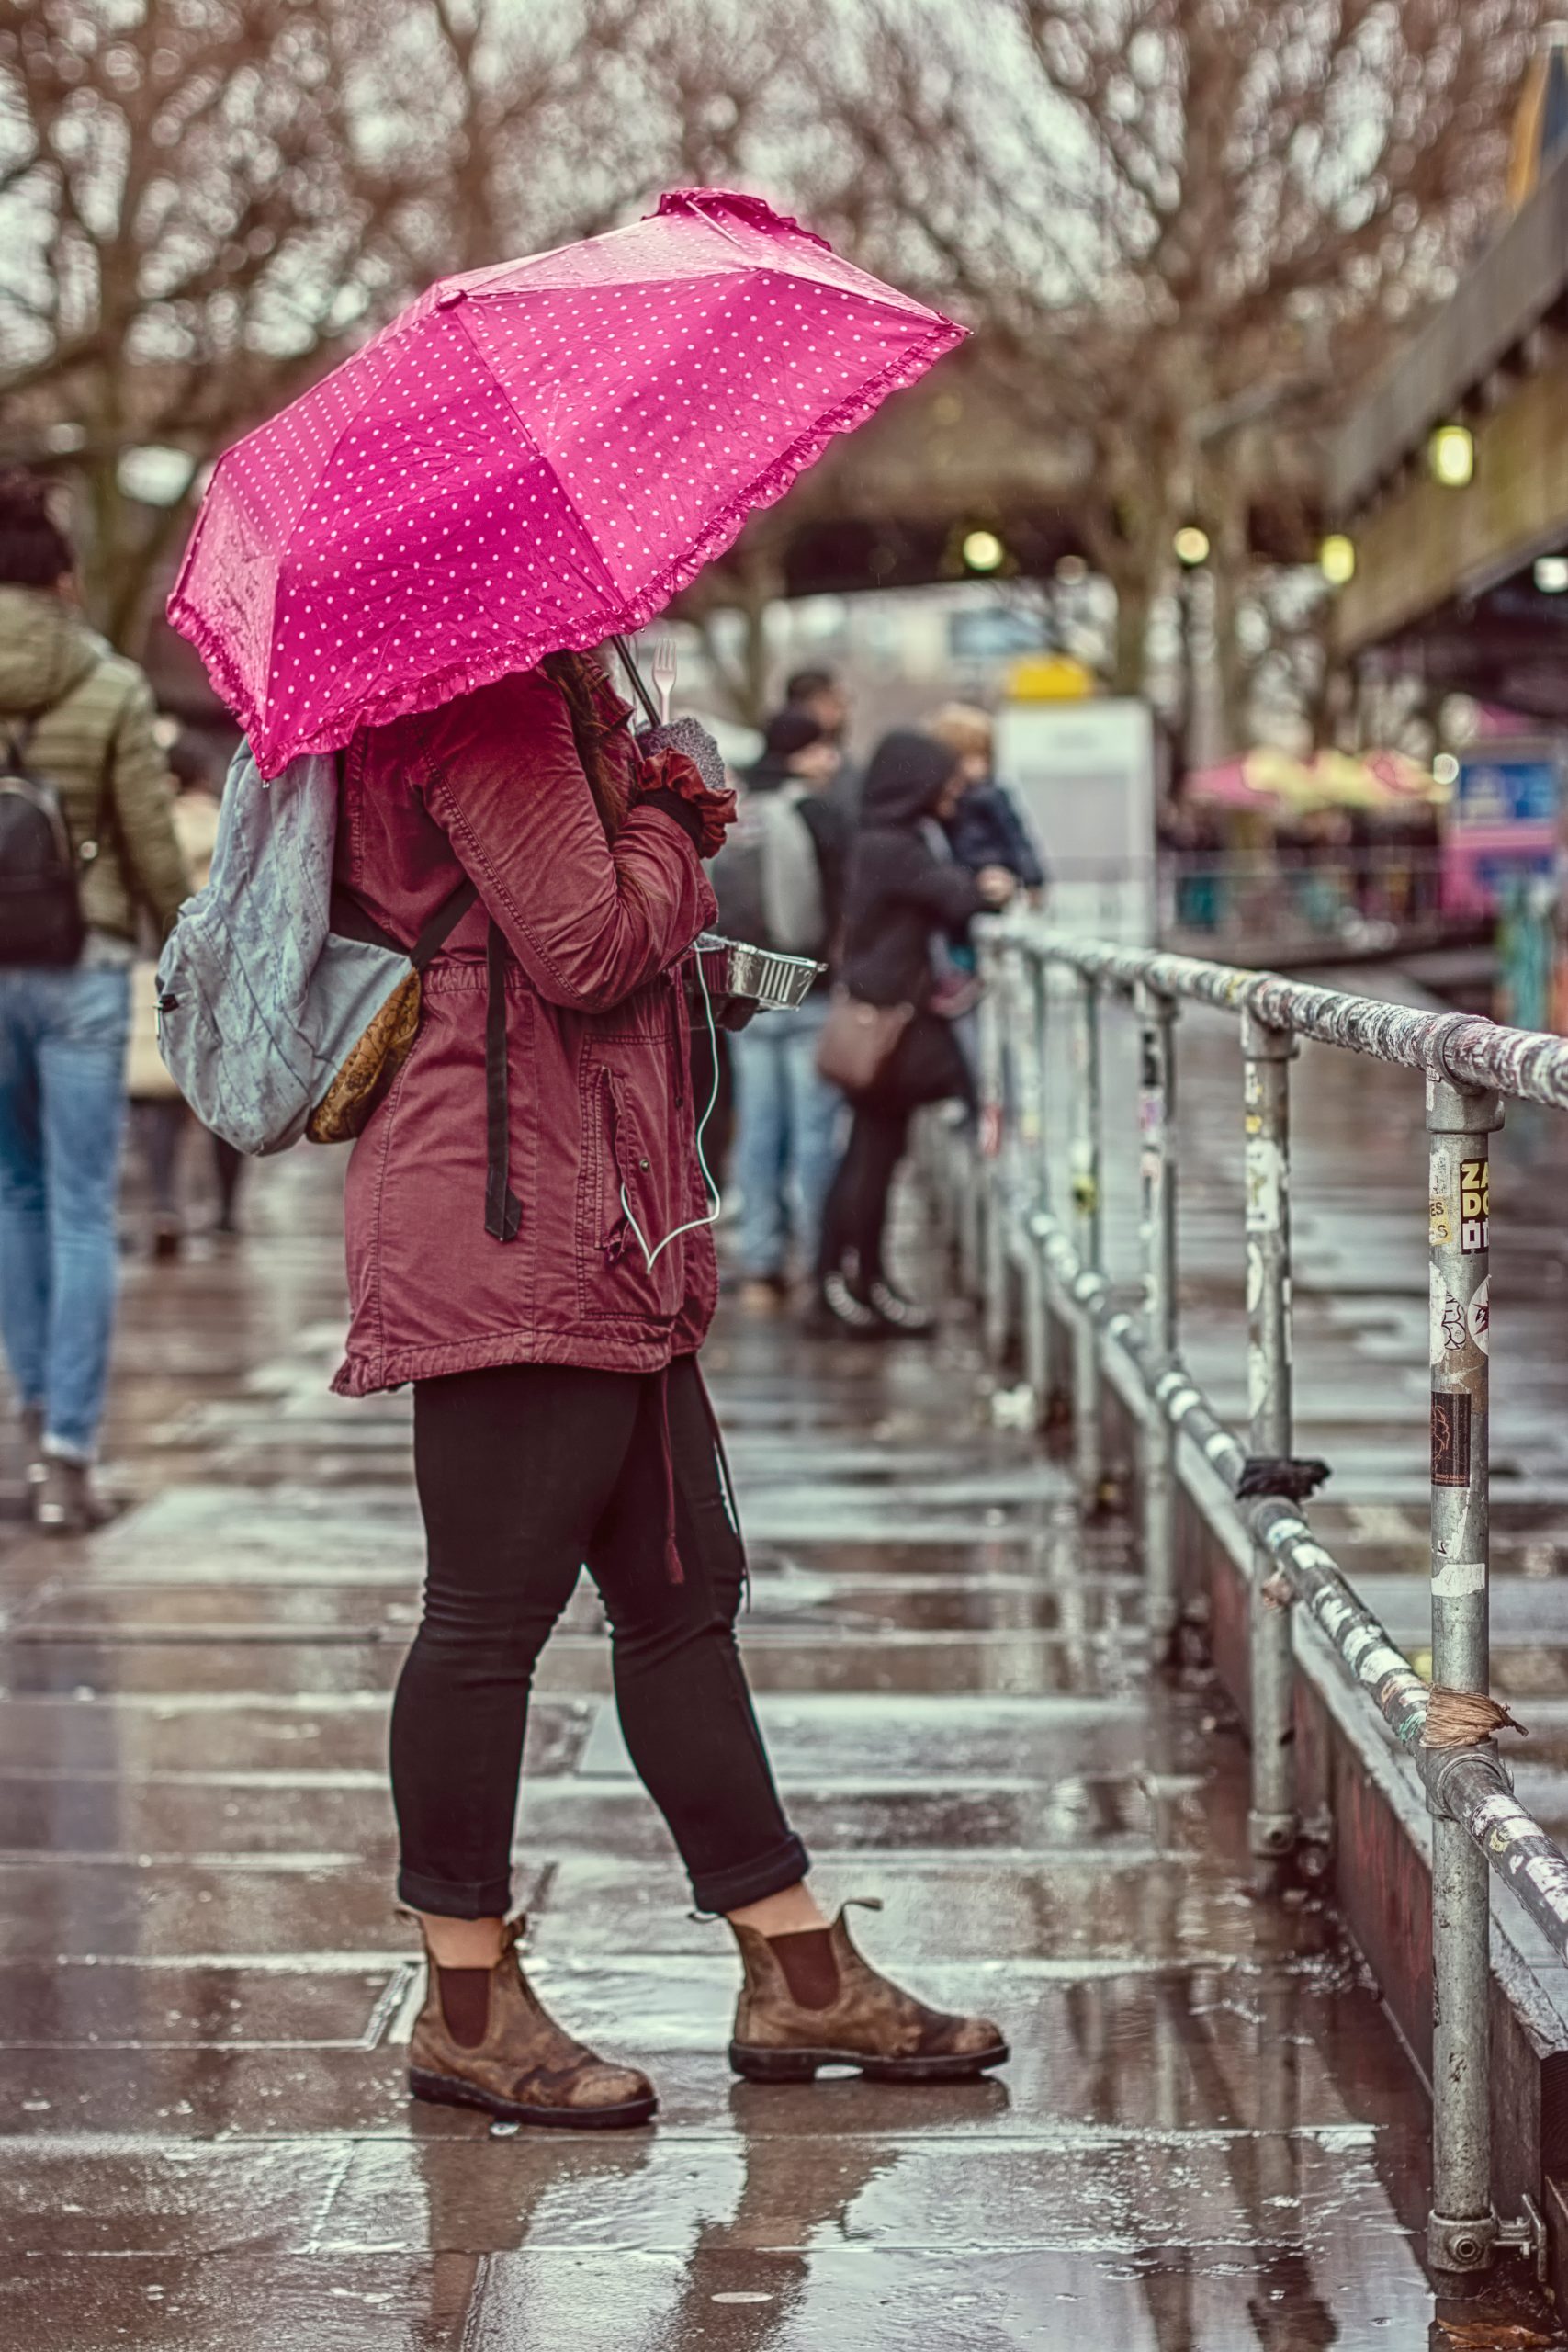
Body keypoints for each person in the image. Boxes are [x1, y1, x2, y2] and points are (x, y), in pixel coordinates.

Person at [329, 650, 1007, 2126]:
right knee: (486, 1622)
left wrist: (641, 808)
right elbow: (581, 947)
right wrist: (667, 817)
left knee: (680, 1594)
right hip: (515, 1223)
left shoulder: (535, 701)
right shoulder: (488, 702)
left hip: (600, 1216)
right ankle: (463, 2006)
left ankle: (797, 1966)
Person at [0, 473, 190, 1531]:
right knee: (81, 1205)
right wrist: (181, 943)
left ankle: (29, 1423)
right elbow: (151, 839)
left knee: (13, 1196)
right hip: (84, 960)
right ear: (64, 578)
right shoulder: (110, 684)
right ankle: (71, 1451)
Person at [815, 729, 1015, 1338]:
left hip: (885, 1015)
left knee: (872, 1154)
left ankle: (857, 1280)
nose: (954, 793)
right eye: (945, 783)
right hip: (889, 1021)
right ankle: (846, 1281)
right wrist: (989, 886)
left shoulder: (881, 840)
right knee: (870, 1158)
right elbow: (958, 898)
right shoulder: (895, 847)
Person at [714, 708, 846, 1305]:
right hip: (808, 990)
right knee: (814, 1132)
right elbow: (844, 902)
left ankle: (762, 1260)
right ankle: (819, 1257)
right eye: (821, 748)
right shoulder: (818, 814)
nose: (830, 760)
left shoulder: (735, 809)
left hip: (746, 992)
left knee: (758, 1128)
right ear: (800, 754)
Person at [126, 733, 243, 1256]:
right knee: (226, 1092)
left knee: (159, 1096)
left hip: (161, 970)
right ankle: (226, 1211)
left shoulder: (154, 828)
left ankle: (165, 1205)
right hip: (225, 975)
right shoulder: (231, 825)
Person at [927, 704, 1045, 898]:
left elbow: (1015, 837)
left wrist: (1032, 878)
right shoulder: (939, 799)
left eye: (983, 756)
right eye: (970, 757)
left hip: (990, 867)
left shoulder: (990, 794)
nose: (980, 764)